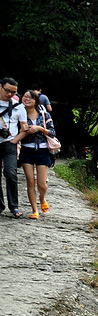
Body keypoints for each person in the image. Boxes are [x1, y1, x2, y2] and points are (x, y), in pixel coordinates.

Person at [16, 91, 55, 219]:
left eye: (30, 97)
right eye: (25, 97)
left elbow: (52, 132)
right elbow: (15, 131)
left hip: (42, 151)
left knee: (41, 184)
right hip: (26, 150)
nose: (26, 99)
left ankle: (42, 198)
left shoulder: (44, 114)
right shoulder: (18, 114)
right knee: (30, 181)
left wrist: (39, 128)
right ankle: (34, 210)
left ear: (36, 101)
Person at [0, 77, 28, 217]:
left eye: (14, 92)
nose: (10, 94)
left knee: (10, 173)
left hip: (9, 143)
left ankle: (14, 206)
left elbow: (24, 128)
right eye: (8, 91)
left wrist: (14, 140)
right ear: (0, 87)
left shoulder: (18, 107)